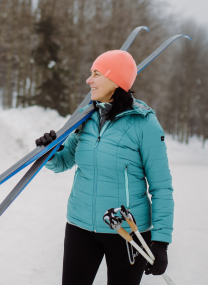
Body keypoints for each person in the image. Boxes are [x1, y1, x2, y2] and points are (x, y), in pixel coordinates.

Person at [35, 50, 173, 285]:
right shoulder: (85, 117)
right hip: (80, 226)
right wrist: (50, 152)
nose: (89, 80)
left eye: (96, 74)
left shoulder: (144, 123)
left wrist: (161, 241)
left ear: (115, 80)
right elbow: (64, 161)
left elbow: (161, 187)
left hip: (128, 231)